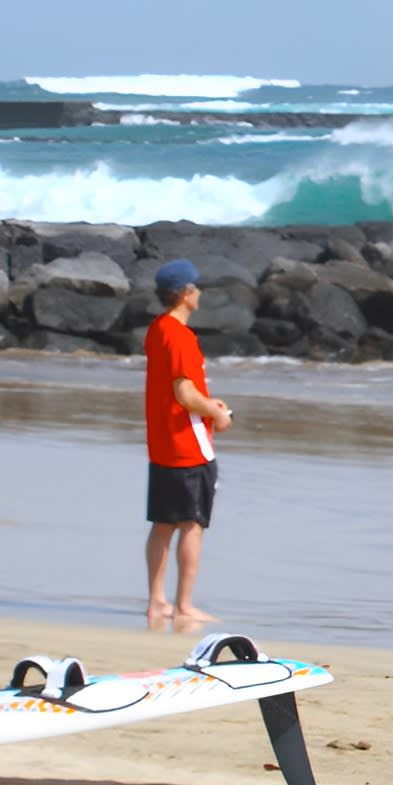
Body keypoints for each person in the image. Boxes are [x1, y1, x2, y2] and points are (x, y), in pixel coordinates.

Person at [143, 258, 232, 624]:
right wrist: (216, 413)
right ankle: (183, 605)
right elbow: (184, 393)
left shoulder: (157, 329)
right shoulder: (180, 336)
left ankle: (156, 602)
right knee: (192, 525)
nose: (200, 293)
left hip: (162, 441)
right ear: (184, 294)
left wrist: (210, 405)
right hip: (188, 444)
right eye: (195, 287)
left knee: (163, 524)